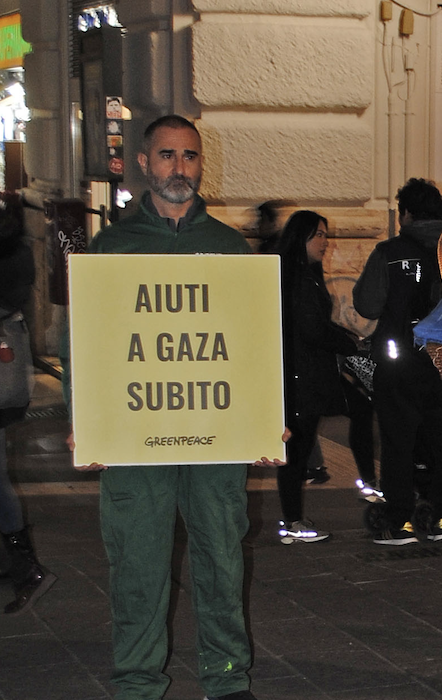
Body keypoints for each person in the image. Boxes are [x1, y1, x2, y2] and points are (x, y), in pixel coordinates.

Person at [67, 115, 284, 700]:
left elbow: (254, 340)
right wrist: (83, 423)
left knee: (222, 558)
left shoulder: (228, 247)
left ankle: (227, 677)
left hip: (214, 435)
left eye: (189, 157)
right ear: (143, 162)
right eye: (167, 156)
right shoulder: (112, 247)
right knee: (137, 564)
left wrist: (266, 415)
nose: (179, 169)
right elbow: (86, 343)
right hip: (137, 437)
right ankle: (137, 682)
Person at [353, 178, 442, 544]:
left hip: (399, 360)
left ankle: (399, 519)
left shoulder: (389, 252)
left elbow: (367, 304)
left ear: (405, 213)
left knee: (398, 441)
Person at [272, 211, 361, 544]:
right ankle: (292, 522)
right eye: (318, 235)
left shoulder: (303, 275)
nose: (325, 242)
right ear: (301, 238)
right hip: (301, 377)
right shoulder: (296, 278)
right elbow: (311, 328)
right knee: (296, 451)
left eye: (324, 235)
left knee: (299, 450)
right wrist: (348, 343)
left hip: (305, 375)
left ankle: (293, 520)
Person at [0, 194, 54, 615]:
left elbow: (11, 298)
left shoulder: (13, 251)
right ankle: (18, 565)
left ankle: (26, 568)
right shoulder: (15, 247)